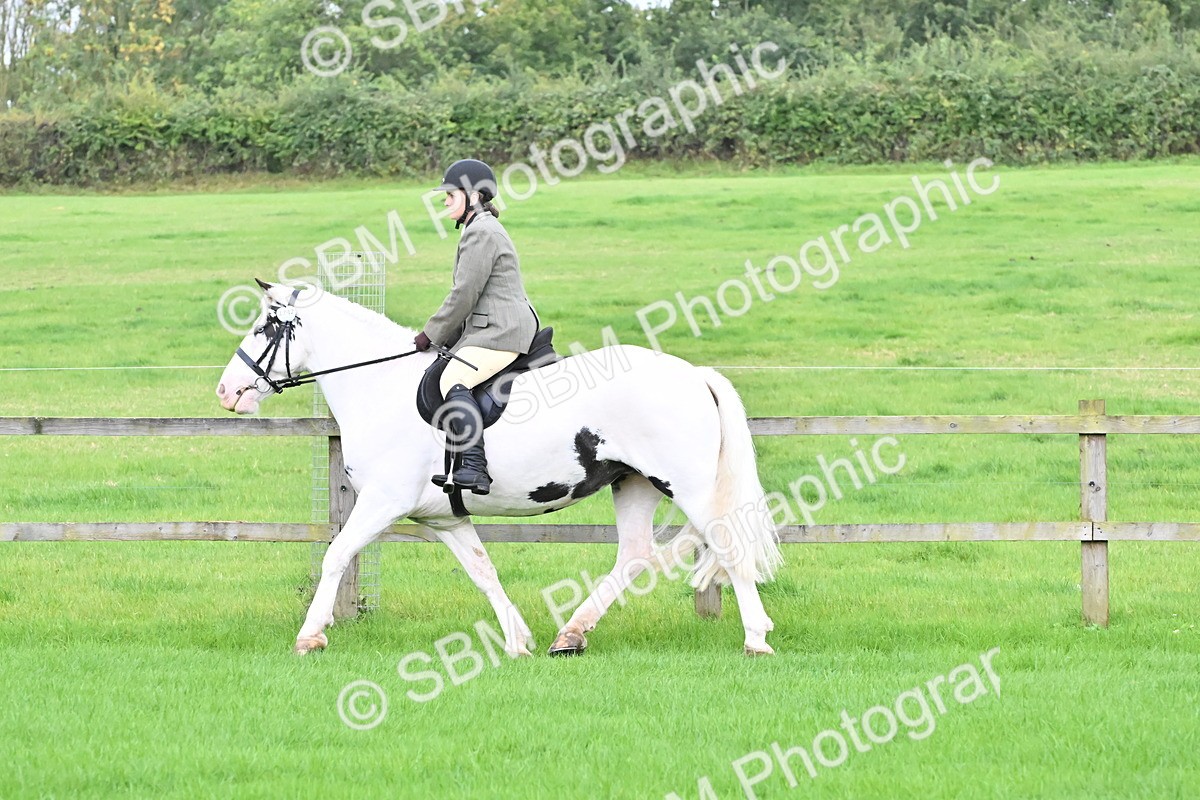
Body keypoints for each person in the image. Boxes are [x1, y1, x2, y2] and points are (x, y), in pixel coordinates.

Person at [413, 159, 540, 496]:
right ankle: (456, 465)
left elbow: (465, 292)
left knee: (454, 378)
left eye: (450, 195)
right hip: (490, 327)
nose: (444, 201)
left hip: (502, 330)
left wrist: (432, 333)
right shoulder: (479, 229)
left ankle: (475, 467)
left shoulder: (482, 232)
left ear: (472, 195)